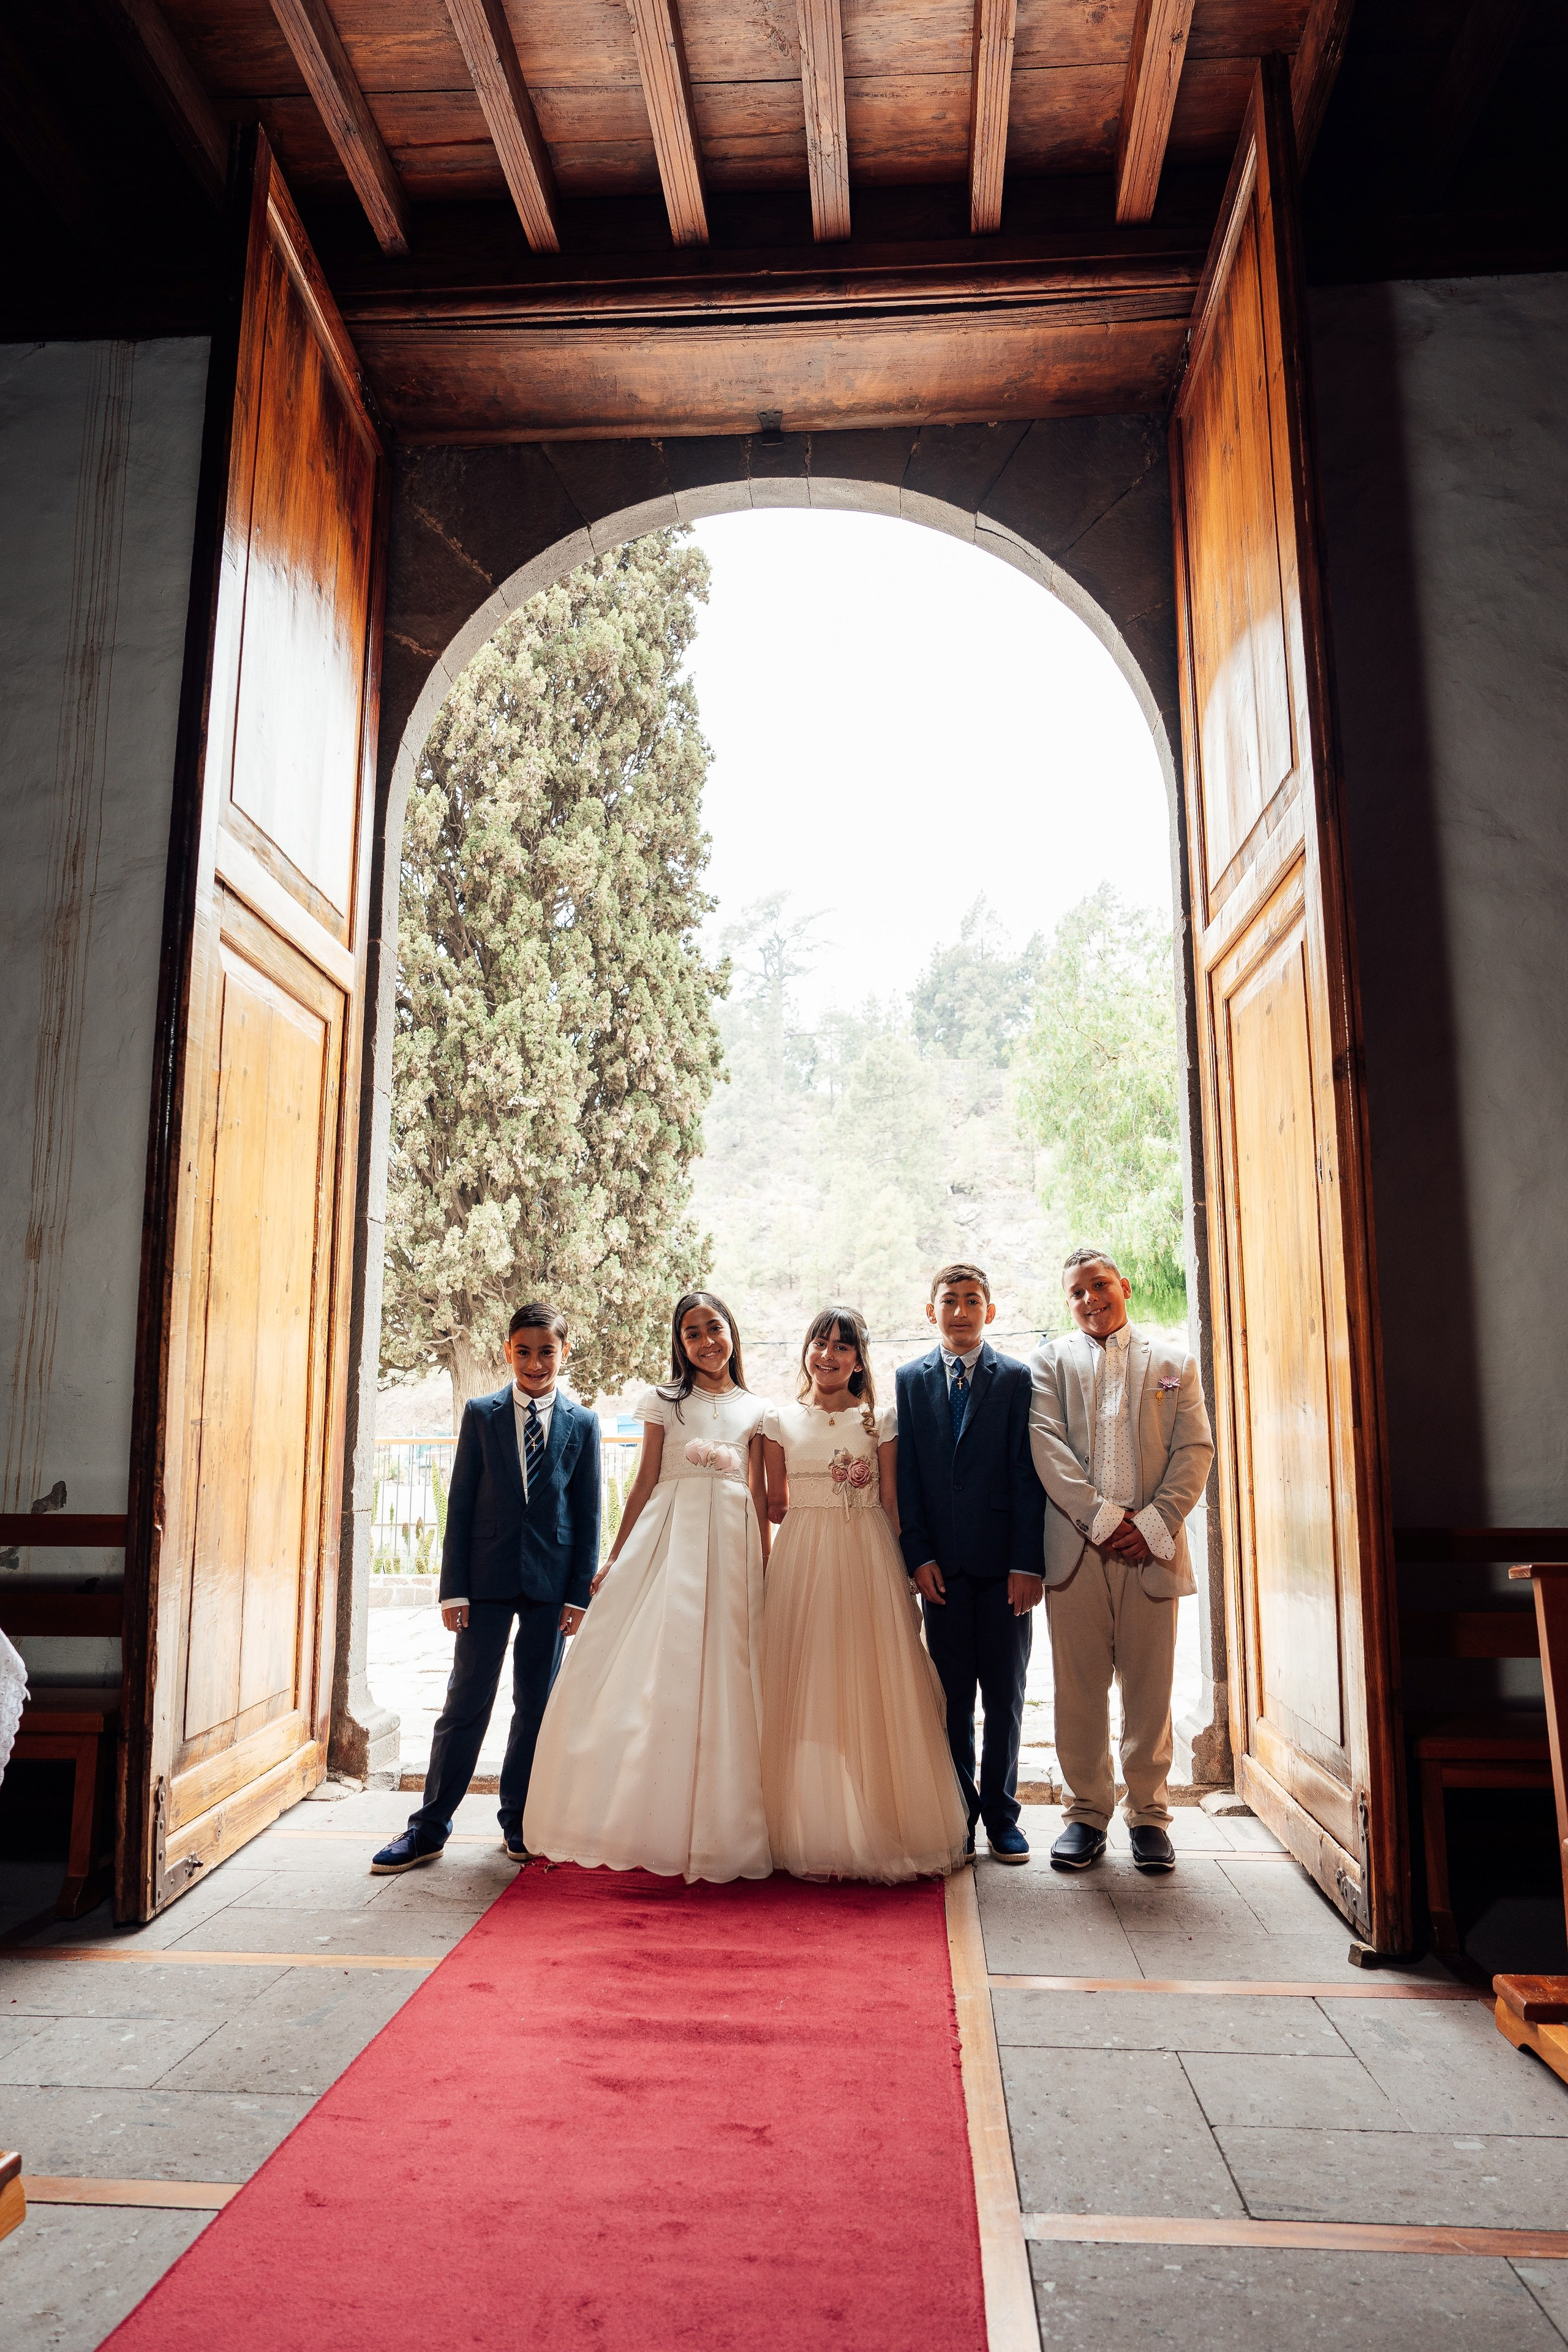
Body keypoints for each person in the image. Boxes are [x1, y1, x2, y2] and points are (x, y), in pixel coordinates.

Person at [522, 1292, 772, 1883]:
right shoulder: (666, 1402)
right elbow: (643, 1483)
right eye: (692, 1333)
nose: (706, 1340)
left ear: (731, 1330)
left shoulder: (758, 1410)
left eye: (714, 1327)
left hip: (733, 1543)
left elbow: (760, 1495)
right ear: (679, 1344)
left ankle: (727, 1815)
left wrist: (766, 1558)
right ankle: (646, 1806)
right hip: (671, 1536)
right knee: (665, 1657)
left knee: (731, 1663)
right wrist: (614, 1558)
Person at [371, 1302, 601, 1873]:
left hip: (551, 1587)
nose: (535, 1362)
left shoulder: (585, 1424)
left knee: (535, 1707)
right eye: (523, 1351)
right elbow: (462, 1503)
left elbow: (590, 1513)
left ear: (564, 1353)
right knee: (465, 1702)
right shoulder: (482, 1414)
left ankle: (520, 1820)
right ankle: (427, 1828)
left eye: (547, 1351)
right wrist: (454, 1590)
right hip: (487, 1580)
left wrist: (579, 1595)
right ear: (507, 1352)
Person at [760, 1307, 969, 1883]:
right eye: (820, 1344)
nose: (828, 1356)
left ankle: (883, 1823)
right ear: (807, 1350)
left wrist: (908, 1570)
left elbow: (895, 1502)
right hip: (802, 1560)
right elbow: (772, 1507)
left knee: (871, 1684)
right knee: (804, 1687)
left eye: (842, 1348)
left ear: (859, 1359)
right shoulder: (777, 1422)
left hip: (866, 1558)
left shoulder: (880, 1420)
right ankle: (808, 1825)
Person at [1028, 1248, 1214, 1875]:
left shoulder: (1172, 1362)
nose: (1089, 1299)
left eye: (1098, 1285)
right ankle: (1085, 1813)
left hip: (1151, 1549)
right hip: (1077, 1548)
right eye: (1076, 1293)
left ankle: (1150, 1817)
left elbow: (1194, 1450)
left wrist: (1153, 1522)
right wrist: (1105, 1522)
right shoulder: (1048, 1364)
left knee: (1149, 1686)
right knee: (1077, 1688)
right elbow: (1046, 1448)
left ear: (1123, 1286)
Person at [895, 1264, 1045, 1865]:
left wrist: (1027, 1563)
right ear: (930, 1311)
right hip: (943, 1573)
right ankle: (958, 1812)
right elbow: (905, 1478)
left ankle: (1002, 1817)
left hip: (1004, 1571)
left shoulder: (1015, 1378)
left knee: (1004, 1696)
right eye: (949, 1301)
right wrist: (918, 1555)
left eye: (972, 1301)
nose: (961, 1312)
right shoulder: (909, 1380)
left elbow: (1026, 1475)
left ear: (990, 1310)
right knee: (950, 1699)